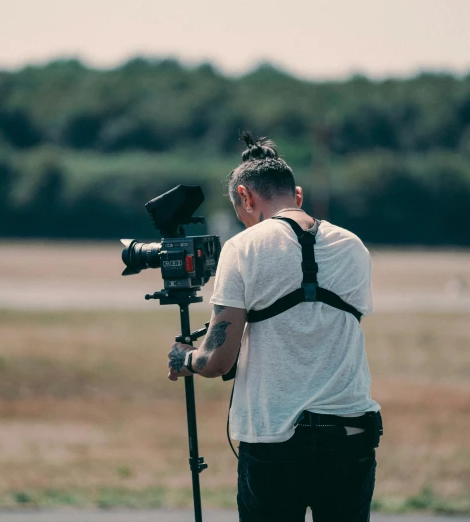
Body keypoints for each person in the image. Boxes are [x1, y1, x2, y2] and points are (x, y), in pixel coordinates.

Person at [167, 132, 382, 522]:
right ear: (296, 195)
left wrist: (185, 358)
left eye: (240, 211)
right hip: (352, 435)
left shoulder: (244, 247)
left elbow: (217, 360)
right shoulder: (353, 245)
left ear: (246, 197)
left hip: (276, 441)